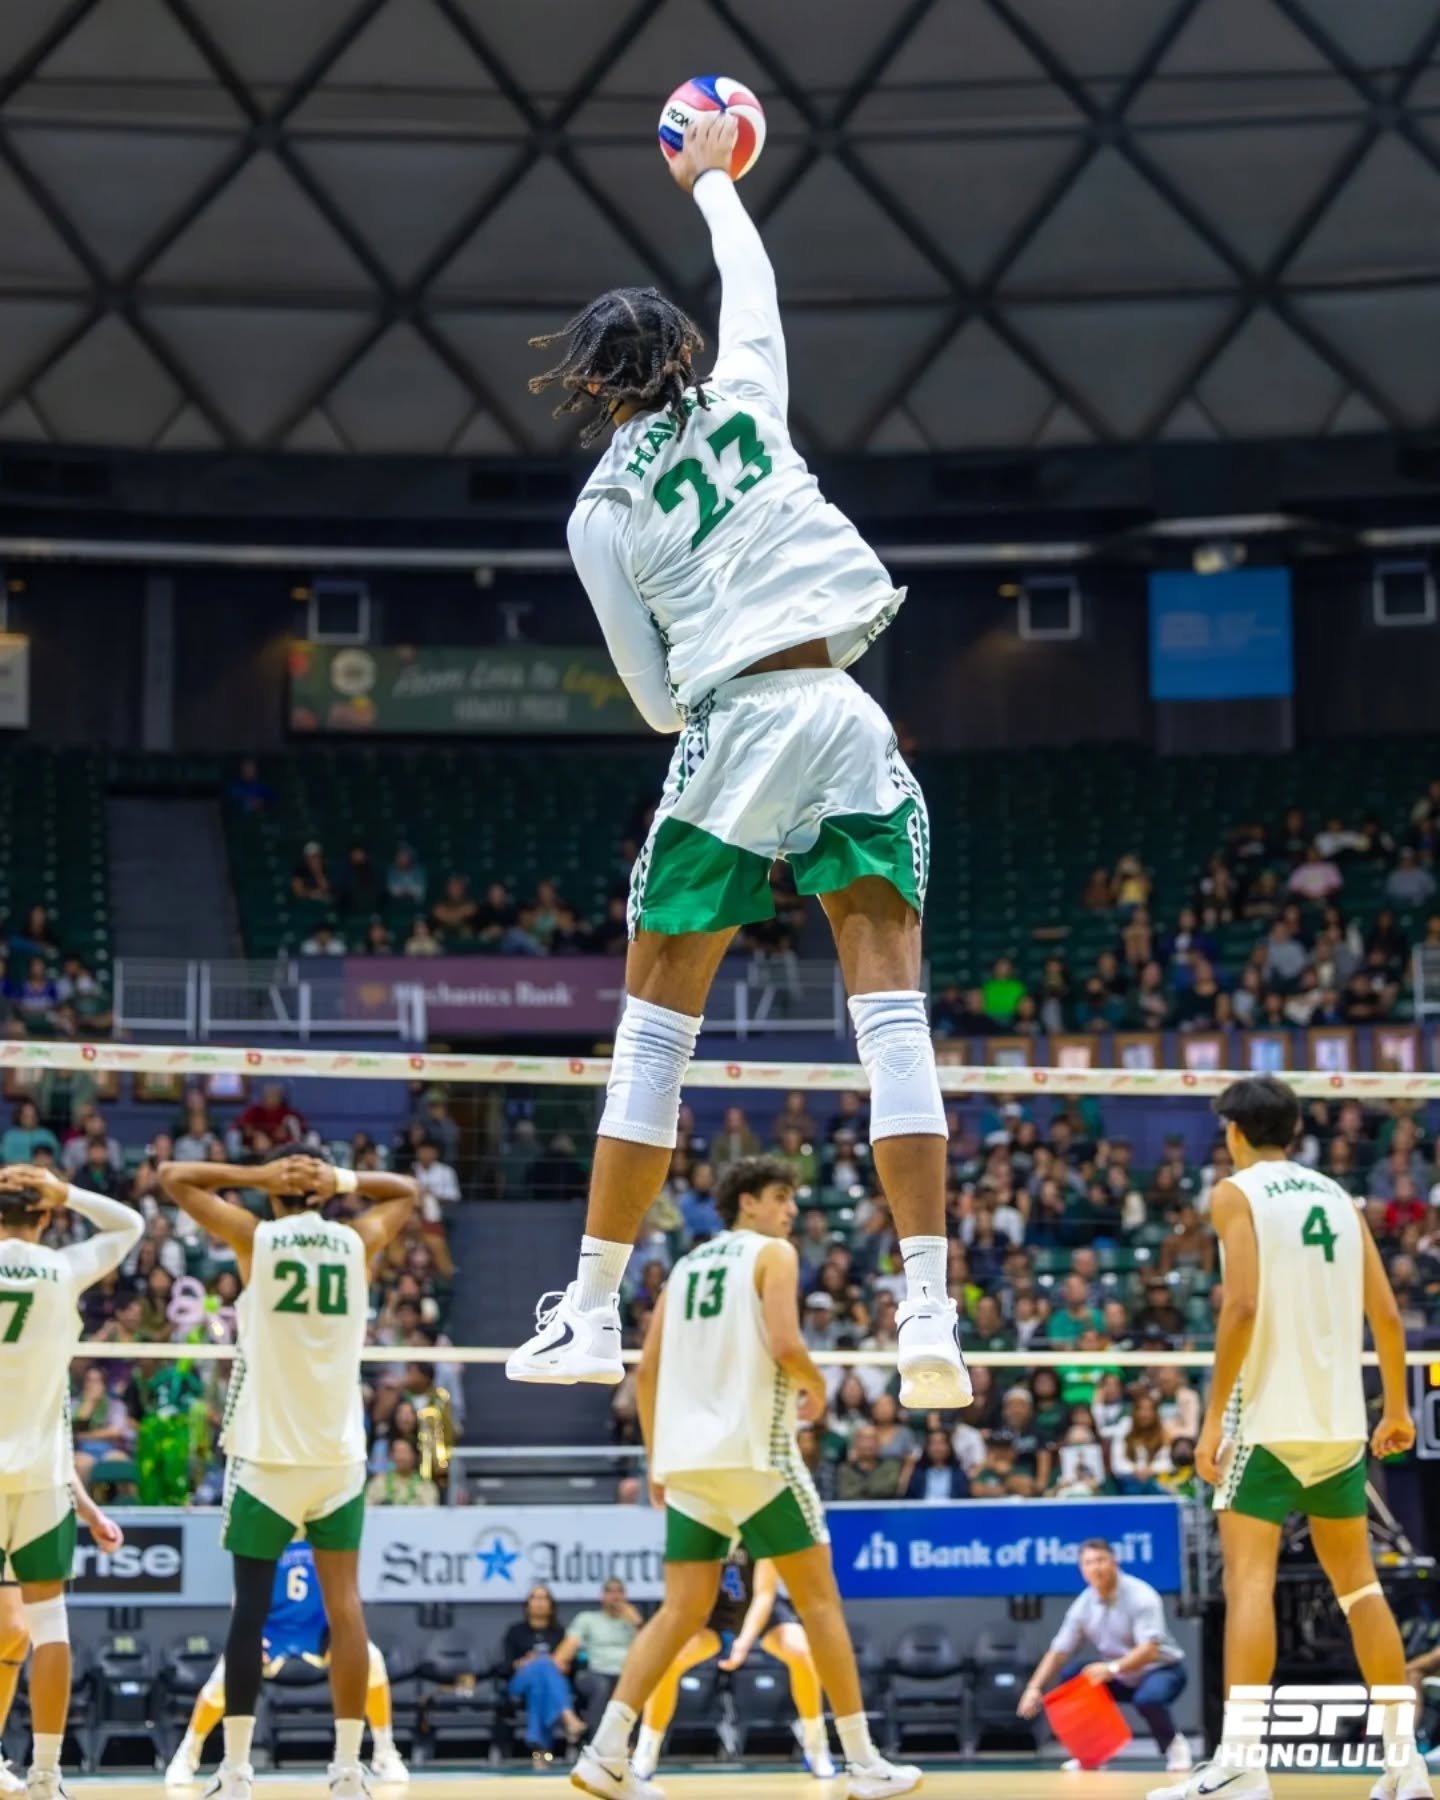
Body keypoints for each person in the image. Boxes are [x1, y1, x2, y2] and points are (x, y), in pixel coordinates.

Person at [507, 110, 967, 1414]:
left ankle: (592, 1313)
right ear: (689, 352)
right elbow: (753, 279)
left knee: (656, 1023)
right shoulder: (751, 388)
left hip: (738, 725)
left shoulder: (599, 511)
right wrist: (710, 181)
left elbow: (656, 704)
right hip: (846, 711)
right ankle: (928, 1310)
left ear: (593, 384)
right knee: (892, 1019)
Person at [572, 1155, 921, 1800]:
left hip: (689, 1462)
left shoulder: (680, 1269)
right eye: (781, 1197)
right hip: (757, 1454)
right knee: (819, 1603)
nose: (791, 1211)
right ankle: (864, 1764)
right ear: (748, 1203)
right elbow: (787, 1346)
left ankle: (606, 1752)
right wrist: (817, 1386)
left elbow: (645, 1376)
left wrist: (656, 1461)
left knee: (679, 1612)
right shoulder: (773, 1256)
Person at [1150, 1075, 1431, 1800]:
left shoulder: (1233, 1194)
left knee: (1250, 1581)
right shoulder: (1340, 1198)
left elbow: (1240, 1305)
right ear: (1295, 1132)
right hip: (1339, 1427)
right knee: (1360, 1589)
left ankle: (1244, 1762)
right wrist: (1396, 1410)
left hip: (1266, 1424)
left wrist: (1212, 1419)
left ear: (1235, 1134)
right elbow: (1391, 1319)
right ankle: (1404, 1764)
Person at [159, 1150, 418, 1800]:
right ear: (324, 1196)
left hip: (267, 1455)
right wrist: (346, 1181)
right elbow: (408, 1190)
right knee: (346, 1611)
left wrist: (256, 1177)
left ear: (279, 1194)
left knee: (249, 1613)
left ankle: (237, 1773)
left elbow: (173, 1178)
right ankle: (348, 1772)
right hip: (336, 1456)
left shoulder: (257, 1235)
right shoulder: (357, 1238)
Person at [0, 1162, 142, 1800]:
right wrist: (72, 1191)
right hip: (40, 1478)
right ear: (47, 1216)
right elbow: (131, 1223)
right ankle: (46, 1776)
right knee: (47, 1626)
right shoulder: (61, 1270)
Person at [165, 1538, 407, 1786]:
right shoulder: (270, 1531)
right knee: (222, 1682)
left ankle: (385, 1752)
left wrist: (341, 1626)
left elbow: (345, 1587)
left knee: (372, 1660)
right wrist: (250, 1633)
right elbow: (243, 1592)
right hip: (271, 1628)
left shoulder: (324, 1531)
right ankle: (188, 1754)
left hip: (317, 1627)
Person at [632, 1549, 836, 1782]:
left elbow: (764, 1595)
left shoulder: (759, 1526)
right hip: (712, 1608)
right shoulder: (704, 1528)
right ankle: (647, 1748)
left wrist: (743, 1643)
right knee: (666, 1657)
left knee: (801, 1651)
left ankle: (816, 1744)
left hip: (758, 1604)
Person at [1018, 1538, 1190, 1776]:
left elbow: (1150, 1649)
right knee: (1073, 1677)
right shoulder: (1083, 1606)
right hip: (1119, 1675)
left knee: (1148, 1698)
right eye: (1088, 1563)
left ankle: (1174, 1746)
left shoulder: (1141, 1595)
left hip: (1161, 1670)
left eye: (1101, 1560)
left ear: (1115, 1563)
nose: (1095, 1567)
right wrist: (1033, 1687)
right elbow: (1059, 1652)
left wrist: (1112, 1669)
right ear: (1082, 1570)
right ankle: (1091, 1754)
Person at [503, 1585, 585, 1765]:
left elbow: (573, 1663)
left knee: (540, 1685)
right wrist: (521, 1663)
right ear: (527, 1604)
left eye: (544, 1598)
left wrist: (563, 1665)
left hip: (545, 1686)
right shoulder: (515, 1631)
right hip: (519, 1682)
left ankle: (539, 1750)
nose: (539, 1602)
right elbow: (505, 1665)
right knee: (543, 1663)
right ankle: (567, 1716)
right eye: (535, 1598)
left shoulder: (560, 1633)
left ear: (551, 1605)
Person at [554, 1579, 643, 1739]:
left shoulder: (634, 1621)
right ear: (602, 1596)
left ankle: (633, 1745)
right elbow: (569, 1646)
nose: (615, 1596)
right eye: (610, 1591)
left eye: (619, 1592)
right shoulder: (587, 1619)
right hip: (595, 1672)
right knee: (601, 1686)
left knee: (643, 1685)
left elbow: (649, 1652)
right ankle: (596, 1742)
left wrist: (637, 1624)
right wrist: (561, 1659)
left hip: (627, 1673)